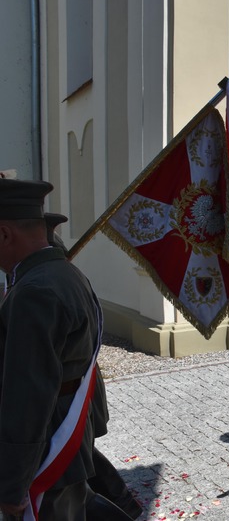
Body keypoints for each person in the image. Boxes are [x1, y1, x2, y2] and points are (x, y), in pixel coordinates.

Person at [0, 179, 101, 520]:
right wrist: (94, 425)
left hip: (46, 450)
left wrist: (12, 484)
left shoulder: (34, 291)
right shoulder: (67, 275)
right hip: (68, 432)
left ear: (4, 234)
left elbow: (27, 394)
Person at [43, 213, 142, 520]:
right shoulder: (56, 275)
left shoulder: (48, 283)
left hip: (67, 400)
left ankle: (122, 504)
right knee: (78, 470)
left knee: (71, 476)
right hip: (72, 398)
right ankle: (123, 504)